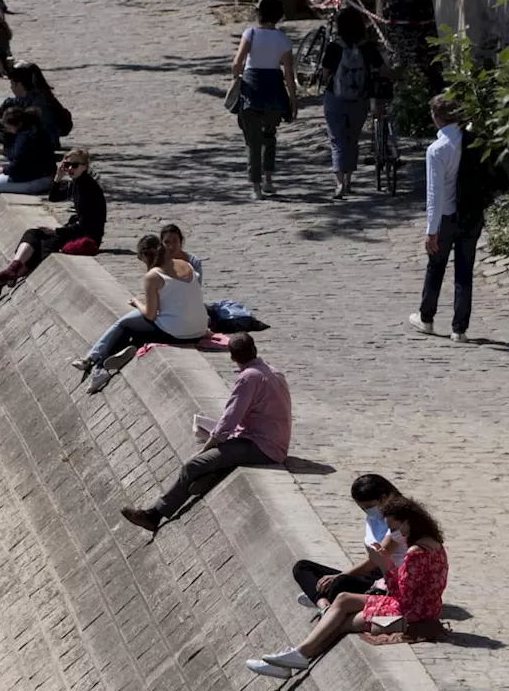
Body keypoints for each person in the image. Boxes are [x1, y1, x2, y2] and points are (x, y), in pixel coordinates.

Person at [247, 496, 448, 679]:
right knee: (343, 598)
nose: (394, 534)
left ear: (408, 522)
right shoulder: (433, 543)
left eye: (395, 528)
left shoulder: (415, 552)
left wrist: (384, 564)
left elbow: (401, 593)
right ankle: (296, 656)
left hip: (409, 614)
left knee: (343, 623)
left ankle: (297, 656)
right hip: (422, 606)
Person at [120, 332, 290, 531]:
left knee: (193, 465)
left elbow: (230, 418)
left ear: (232, 357)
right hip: (272, 440)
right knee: (210, 461)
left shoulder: (247, 379)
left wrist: (209, 445)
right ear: (254, 350)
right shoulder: (274, 371)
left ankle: (154, 515)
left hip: (261, 446)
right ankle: (205, 478)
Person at [409, 95, 509, 342]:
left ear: (436, 118)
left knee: (436, 267)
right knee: (464, 272)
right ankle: (459, 328)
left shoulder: (437, 150)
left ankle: (427, 317)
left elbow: (435, 194)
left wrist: (431, 230)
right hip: (472, 214)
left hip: (447, 217)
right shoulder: (474, 142)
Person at [73, 235, 211, 394]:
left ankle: (99, 368)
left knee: (125, 325)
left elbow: (150, 314)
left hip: (178, 332)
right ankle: (112, 353)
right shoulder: (186, 264)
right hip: (199, 328)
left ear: (145, 256)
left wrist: (137, 303)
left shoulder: (153, 276)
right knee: (135, 327)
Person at [0, 149, 105, 301]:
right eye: (67, 165)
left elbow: (84, 226)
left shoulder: (88, 189)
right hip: (75, 230)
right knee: (33, 233)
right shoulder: (77, 183)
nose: (70, 169)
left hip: (87, 236)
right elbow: (54, 198)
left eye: (74, 165)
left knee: (45, 245)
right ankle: (11, 270)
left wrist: (56, 231)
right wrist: (58, 178)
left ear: (85, 166)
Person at [292, 475, 406, 614]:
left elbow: (376, 559)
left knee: (341, 583)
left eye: (369, 507)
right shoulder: (373, 518)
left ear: (383, 498)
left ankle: (318, 597)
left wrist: (339, 576)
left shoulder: (399, 521)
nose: (367, 511)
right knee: (302, 567)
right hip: (372, 574)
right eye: (363, 508)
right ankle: (324, 606)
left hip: (389, 579)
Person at [319, 7, 390, 198]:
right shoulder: (368, 47)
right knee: (352, 139)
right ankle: (349, 180)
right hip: (360, 98)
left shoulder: (334, 47)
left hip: (335, 98)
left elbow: (325, 74)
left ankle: (340, 183)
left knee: (337, 139)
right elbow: (383, 70)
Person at [231, 0, 297, 200]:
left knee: (253, 140)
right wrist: (293, 99)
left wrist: (237, 79)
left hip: (251, 89)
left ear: (259, 13)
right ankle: (268, 179)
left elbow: (237, 63)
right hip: (274, 90)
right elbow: (288, 73)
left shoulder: (249, 34)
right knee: (269, 136)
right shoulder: (284, 40)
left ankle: (256, 187)